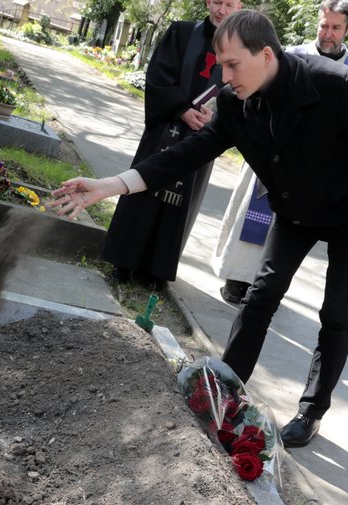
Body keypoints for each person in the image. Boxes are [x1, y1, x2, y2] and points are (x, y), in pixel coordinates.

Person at [51, 10, 348, 447]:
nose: (224, 74)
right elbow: (188, 152)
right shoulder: (236, 104)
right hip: (295, 211)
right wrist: (110, 185)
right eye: (221, 64)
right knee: (259, 297)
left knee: (336, 314)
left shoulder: (338, 84)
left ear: (267, 54)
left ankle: (311, 411)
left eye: (233, 64)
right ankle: (226, 386)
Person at [213, 0, 348, 304]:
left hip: (304, 172)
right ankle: (236, 275)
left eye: (335, 27)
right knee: (249, 217)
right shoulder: (287, 56)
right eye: (323, 25)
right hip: (264, 159)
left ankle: (262, 288)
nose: (327, 33)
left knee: (283, 236)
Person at [101, 0, 243, 289]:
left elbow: (240, 92)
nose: (221, 10)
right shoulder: (181, 32)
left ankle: (155, 272)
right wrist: (181, 109)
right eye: (217, 2)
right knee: (143, 191)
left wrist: (215, 116)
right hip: (166, 127)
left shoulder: (241, 50)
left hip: (203, 138)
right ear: (208, 2)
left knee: (180, 206)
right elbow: (158, 74)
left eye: (229, 4)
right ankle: (123, 262)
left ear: (239, 6)